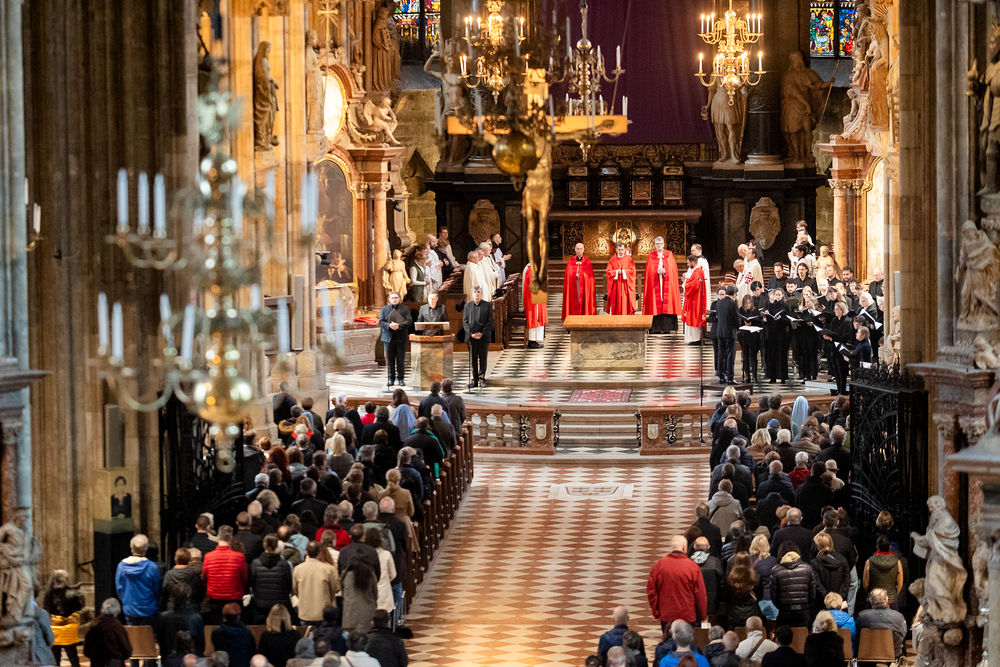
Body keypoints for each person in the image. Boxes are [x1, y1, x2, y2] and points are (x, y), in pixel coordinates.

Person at [647, 535, 708, 634]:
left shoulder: (659, 565)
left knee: (668, 642)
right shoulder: (693, 567)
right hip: (688, 617)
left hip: (667, 615)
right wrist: (701, 616)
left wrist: (656, 612)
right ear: (684, 548)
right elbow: (700, 595)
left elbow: (651, 591)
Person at [114, 533, 161, 648]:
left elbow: (119, 588)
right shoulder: (152, 567)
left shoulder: (121, 566)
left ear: (132, 548)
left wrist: (125, 601)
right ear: (145, 549)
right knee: (148, 641)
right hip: (149, 608)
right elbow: (157, 588)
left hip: (130, 607)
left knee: (133, 641)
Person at [201, 525, 248, 624]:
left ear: (218, 537)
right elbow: (244, 578)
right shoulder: (239, 557)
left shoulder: (208, 557)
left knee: (216, 625)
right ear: (231, 539)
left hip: (214, 598)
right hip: (234, 598)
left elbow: (205, 578)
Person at [293, 541, 341, 625]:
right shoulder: (329, 569)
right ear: (320, 553)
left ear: (306, 552)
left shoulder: (297, 569)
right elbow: (336, 588)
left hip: (305, 613)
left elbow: (295, 590)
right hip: (324, 613)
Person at [769, 541, 816, 627]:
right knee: (803, 634)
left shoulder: (776, 570)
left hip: (784, 611)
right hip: (803, 610)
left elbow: (773, 595)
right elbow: (812, 593)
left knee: (783, 634)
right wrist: (806, 605)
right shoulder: (807, 568)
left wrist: (781, 606)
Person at [44, 569, 84, 667]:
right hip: (68, 631)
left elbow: (46, 609)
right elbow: (78, 607)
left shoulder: (48, 595)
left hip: (54, 630)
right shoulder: (72, 594)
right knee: (73, 658)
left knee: (55, 658)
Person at [642, 236, 680, 333]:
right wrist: (655, 271)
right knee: (656, 303)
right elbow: (649, 271)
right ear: (655, 245)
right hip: (655, 284)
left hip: (666, 283)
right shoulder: (651, 255)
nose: (659, 246)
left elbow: (673, 269)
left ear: (663, 244)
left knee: (667, 302)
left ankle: (667, 327)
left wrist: (665, 271)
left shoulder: (669, 254)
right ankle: (656, 328)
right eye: (657, 244)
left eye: (660, 244)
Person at [856, 588, 907, 659]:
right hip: (893, 654)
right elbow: (903, 634)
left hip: (867, 654)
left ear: (870, 600)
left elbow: (857, 634)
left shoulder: (862, 616)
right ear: (887, 600)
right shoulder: (898, 616)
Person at [84, 598, 133, 667]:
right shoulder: (117, 626)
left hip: (97, 663)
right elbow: (127, 651)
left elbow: (87, 651)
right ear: (117, 611)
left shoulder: (93, 625)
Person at [379, 291, 412, 387]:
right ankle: (391, 379)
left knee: (401, 359)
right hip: (388, 338)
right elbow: (381, 322)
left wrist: (398, 325)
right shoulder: (384, 309)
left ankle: (401, 379)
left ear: (399, 299)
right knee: (390, 360)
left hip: (400, 337)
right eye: (392, 298)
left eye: (396, 298)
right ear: (389, 299)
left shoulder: (405, 309)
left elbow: (409, 321)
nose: (394, 299)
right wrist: (389, 325)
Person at [462, 285, 493, 388]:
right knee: (473, 359)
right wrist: (471, 334)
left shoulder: (487, 305)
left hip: (483, 337)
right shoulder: (467, 306)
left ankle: (482, 379)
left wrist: (481, 333)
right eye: (475, 292)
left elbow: (490, 321)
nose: (477, 294)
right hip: (472, 337)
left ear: (481, 294)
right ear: (472, 294)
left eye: (478, 292)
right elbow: (465, 322)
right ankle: (474, 380)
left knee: (483, 358)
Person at [862, 536, 903, 608]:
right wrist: (893, 594)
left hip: (873, 600)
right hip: (891, 600)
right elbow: (900, 582)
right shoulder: (897, 562)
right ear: (890, 547)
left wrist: (870, 593)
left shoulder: (869, 561)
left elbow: (865, 583)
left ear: (877, 547)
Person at [211, 603, 257, 667]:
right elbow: (253, 652)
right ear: (238, 616)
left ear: (224, 616)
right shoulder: (247, 633)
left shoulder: (216, 634)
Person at [811, 532, 850, 604]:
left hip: (821, 601)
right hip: (840, 601)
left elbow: (816, 583)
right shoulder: (842, 560)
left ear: (818, 546)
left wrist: (827, 597)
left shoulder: (815, 562)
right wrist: (840, 596)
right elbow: (847, 580)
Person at [691, 538, 724, 621]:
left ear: (694, 546)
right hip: (712, 604)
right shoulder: (715, 562)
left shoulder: (688, 563)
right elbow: (721, 582)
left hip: (693, 603)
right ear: (708, 547)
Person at [726, 553, 762, 630]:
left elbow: (726, 596)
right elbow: (760, 595)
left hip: (734, 612)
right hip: (751, 611)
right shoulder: (756, 577)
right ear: (749, 562)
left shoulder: (730, 578)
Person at [795, 462, 835, 528]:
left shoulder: (801, 488)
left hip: (804, 523)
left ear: (811, 470)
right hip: (820, 524)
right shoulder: (826, 490)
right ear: (824, 472)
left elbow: (796, 505)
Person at [682, 254, 709, 344]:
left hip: (695, 300)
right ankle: (694, 339)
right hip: (694, 299)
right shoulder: (697, 271)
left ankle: (695, 339)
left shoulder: (697, 272)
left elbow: (694, 286)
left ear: (693, 262)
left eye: (688, 263)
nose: (687, 265)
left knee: (693, 318)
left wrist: (685, 282)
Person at [715, 286, 739, 384]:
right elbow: (737, 319)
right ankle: (730, 377)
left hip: (720, 332)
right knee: (730, 355)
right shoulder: (733, 304)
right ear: (734, 294)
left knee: (721, 354)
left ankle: (721, 377)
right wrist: (737, 328)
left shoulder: (719, 303)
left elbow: (718, 316)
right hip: (730, 332)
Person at [605, 242, 637, 315]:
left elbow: (633, 271)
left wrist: (624, 272)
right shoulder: (612, 260)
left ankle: (626, 318)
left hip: (625, 286)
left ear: (625, 249)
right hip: (615, 286)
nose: (621, 251)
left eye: (622, 249)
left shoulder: (629, 259)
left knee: (625, 303)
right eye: (619, 250)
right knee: (616, 303)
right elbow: (608, 272)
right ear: (616, 249)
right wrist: (616, 272)